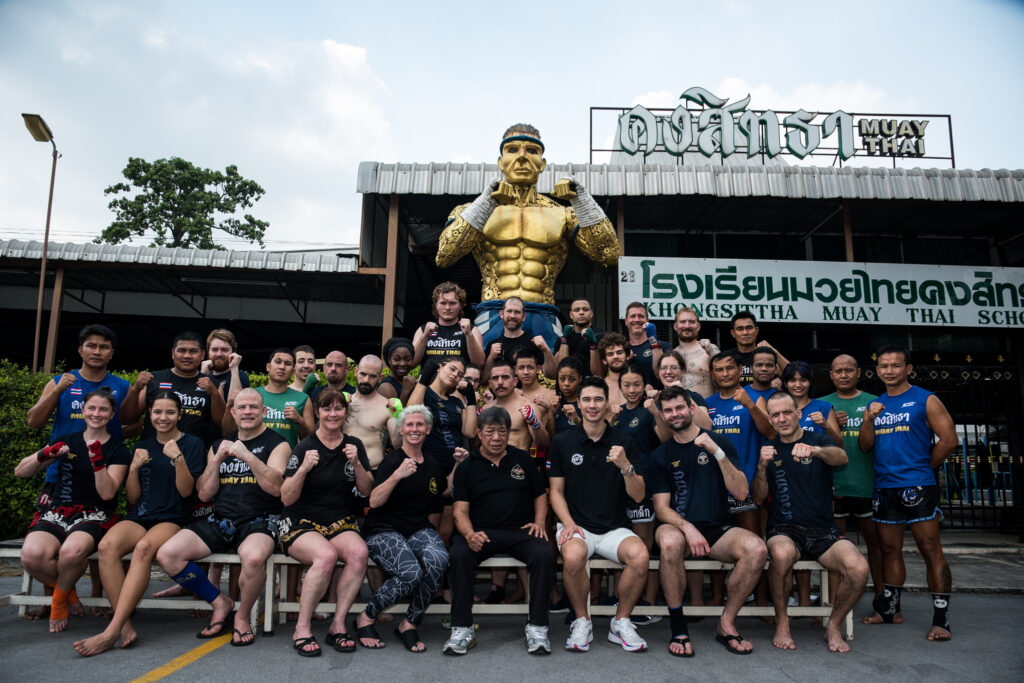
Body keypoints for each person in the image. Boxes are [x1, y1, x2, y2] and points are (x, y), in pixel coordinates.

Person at [437, 123, 620, 350]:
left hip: (544, 311)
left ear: (542, 164)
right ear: (500, 161)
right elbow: (444, 255)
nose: (522, 158)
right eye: (513, 149)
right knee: (486, 380)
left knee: (551, 380)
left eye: (532, 151)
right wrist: (486, 201)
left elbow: (609, 254)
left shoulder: (562, 213)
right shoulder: (473, 211)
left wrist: (582, 200)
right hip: (493, 311)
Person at [73, 392, 205, 656]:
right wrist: (133, 468)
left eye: (169, 412)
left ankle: (111, 630)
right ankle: (126, 625)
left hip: (173, 517)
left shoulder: (193, 444)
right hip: (141, 515)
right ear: (150, 415)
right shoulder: (142, 446)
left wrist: (177, 457)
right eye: (157, 412)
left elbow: (186, 492)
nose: (163, 418)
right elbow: (133, 498)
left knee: (144, 548)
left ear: (180, 415)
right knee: (108, 545)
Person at [155, 388, 290, 647]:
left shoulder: (278, 443)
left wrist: (247, 456)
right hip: (223, 518)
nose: (248, 412)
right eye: (242, 407)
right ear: (233, 412)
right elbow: (205, 493)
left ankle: (241, 617)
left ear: (263, 412)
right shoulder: (219, 444)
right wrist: (216, 460)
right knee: (168, 554)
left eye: (253, 407)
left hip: (262, 518)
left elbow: (277, 489)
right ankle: (220, 602)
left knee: (252, 557)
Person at [646, 386, 768, 657]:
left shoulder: (719, 442)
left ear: (692, 409)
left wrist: (717, 452)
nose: (674, 414)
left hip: (717, 527)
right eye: (668, 410)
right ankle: (678, 626)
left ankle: (727, 624)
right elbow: (661, 508)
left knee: (757, 549)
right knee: (668, 542)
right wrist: (687, 528)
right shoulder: (660, 455)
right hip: (678, 527)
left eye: (679, 407)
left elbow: (741, 492)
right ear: (663, 416)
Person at [25, 323, 130, 620]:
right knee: (52, 539)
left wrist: (111, 446)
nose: (97, 351)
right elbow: (34, 421)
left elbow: (134, 422)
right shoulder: (61, 381)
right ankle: (57, 599)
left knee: (94, 534)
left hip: (101, 473)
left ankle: (97, 596)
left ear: (111, 353)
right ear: (80, 349)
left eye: (104, 346)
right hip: (59, 474)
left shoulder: (120, 386)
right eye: (92, 345)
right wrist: (57, 389)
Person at [753, 392, 869, 653]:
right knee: (781, 555)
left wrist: (816, 451)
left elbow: (842, 458)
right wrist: (761, 467)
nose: (782, 419)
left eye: (787, 412)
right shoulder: (769, 450)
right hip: (784, 529)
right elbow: (759, 498)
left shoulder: (817, 440)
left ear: (798, 414)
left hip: (823, 532)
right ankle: (782, 623)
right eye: (776, 415)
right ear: (770, 419)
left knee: (859, 568)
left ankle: (834, 625)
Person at [858, 346, 957, 641]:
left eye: (896, 365)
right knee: (889, 550)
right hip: (885, 486)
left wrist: (924, 468)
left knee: (930, 549)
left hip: (918, 485)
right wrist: (868, 419)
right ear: (878, 371)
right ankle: (890, 610)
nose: (889, 371)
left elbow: (949, 439)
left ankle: (942, 619)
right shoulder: (875, 405)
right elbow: (865, 446)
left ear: (908, 369)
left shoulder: (926, 399)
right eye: (884, 366)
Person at [16, 388, 130, 633]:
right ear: (83, 410)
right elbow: (21, 471)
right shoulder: (67, 440)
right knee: (31, 556)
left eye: (103, 410)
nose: (96, 413)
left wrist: (97, 461)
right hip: (58, 510)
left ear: (111, 415)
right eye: (92, 408)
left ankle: (58, 603)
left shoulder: (118, 450)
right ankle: (68, 592)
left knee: (71, 552)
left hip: (95, 513)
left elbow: (108, 494)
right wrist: (44, 454)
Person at [548, 377, 649, 653]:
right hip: (577, 525)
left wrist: (626, 466)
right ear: (578, 404)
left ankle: (621, 621)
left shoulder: (624, 441)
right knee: (573, 556)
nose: (592, 405)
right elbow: (555, 491)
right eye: (587, 400)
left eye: (598, 400)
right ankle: (582, 620)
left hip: (615, 527)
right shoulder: (562, 441)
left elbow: (638, 495)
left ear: (608, 404)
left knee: (640, 556)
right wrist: (568, 524)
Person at [444, 407, 554, 655]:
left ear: (508, 433)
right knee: (459, 555)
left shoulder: (523, 459)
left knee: (544, 554)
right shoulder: (467, 467)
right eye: (490, 432)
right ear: (479, 434)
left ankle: (537, 627)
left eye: (502, 432)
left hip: (519, 531)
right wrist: (470, 534)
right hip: (481, 533)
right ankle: (462, 628)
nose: (496, 437)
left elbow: (539, 495)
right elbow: (460, 511)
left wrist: (538, 522)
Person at [278, 389, 373, 657]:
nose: (333, 414)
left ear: (345, 412)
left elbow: (366, 491)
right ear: (317, 413)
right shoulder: (305, 446)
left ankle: (338, 624)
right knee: (326, 556)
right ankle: (302, 628)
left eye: (338, 408)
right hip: (299, 521)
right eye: (326, 409)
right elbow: (286, 497)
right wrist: (304, 469)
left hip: (338, 520)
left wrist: (356, 464)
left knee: (359, 553)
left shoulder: (354, 444)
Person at [353, 405, 454, 653]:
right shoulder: (392, 460)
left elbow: (443, 489)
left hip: (417, 528)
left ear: (428, 429)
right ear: (402, 429)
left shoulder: (431, 463)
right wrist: (398, 475)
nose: (414, 429)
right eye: (409, 425)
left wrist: (459, 465)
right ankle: (366, 617)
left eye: (420, 424)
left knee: (439, 559)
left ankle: (409, 622)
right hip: (383, 529)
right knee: (410, 574)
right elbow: (374, 500)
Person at [705, 351, 775, 610]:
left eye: (729, 368)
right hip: (715, 486)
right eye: (719, 369)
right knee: (715, 541)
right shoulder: (708, 402)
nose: (725, 374)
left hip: (746, 486)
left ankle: (762, 599)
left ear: (739, 370)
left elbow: (770, 432)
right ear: (712, 374)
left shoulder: (753, 398)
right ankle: (716, 595)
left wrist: (749, 404)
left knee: (755, 543)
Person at [821, 354, 884, 604]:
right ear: (831, 375)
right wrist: (829, 424)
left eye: (849, 370)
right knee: (834, 548)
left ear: (859, 373)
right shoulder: (821, 405)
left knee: (876, 546)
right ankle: (835, 602)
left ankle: (882, 599)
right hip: (834, 486)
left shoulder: (875, 403)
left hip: (868, 485)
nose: (843, 375)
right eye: (838, 371)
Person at [612, 365, 671, 623]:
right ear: (620, 387)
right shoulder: (616, 413)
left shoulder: (650, 411)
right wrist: (608, 420)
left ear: (645, 385)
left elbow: (667, 437)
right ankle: (622, 597)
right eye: (627, 385)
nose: (632, 390)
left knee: (645, 543)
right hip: (619, 484)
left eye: (637, 384)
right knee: (621, 541)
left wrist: (655, 412)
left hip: (647, 482)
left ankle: (647, 600)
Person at [408, 357, 478, 544]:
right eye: (452, 369)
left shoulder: (455, 401)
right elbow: (412, 412)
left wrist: (471, 400)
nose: (455, 375)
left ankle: (440, 571)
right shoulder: (426, 393)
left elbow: (469, 431)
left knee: (446, 534)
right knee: (428, 532)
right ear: (439, 368)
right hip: (429, 467)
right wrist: (424, 378)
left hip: (454, 468)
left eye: (460, 374)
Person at [122, 331, 226, 449]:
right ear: (173, 353)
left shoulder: (212, 385)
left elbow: (223, 424)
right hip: (152, 453)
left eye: (193, 351)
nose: (187, 356)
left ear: (202, 355)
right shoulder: (153, 379)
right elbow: (128, 418)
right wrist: (135, 389)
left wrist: (214, 393)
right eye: (181, 350)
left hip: (192, 455)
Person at [412, 282, 485, 371]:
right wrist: (425, 336)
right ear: (436, 305)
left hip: (458, 383)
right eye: (443, 303)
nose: (447, 307)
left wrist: (469, 334)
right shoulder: (423, 330)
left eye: (452, 303)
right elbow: (412, 362)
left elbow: (479, 363)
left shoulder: (472, 330)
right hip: (428, 384)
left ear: (460, 305)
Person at [344, 356, 401, 471]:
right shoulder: (342, 403)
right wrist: (333, 410)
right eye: (363, 374)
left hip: (372, 471)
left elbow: (398, 445)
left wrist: (399, 417)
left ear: (380, 378)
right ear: (356, 372)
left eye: (372, 376)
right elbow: (321, 435)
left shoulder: (386, 406)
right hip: (341, 472)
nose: (366, 380)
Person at [483, 297, 556, 380]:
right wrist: (491, 358)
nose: (513, 316)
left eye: (517, 312)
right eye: (509, 311)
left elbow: (553, 376)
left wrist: (546, 350)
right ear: (502, 314)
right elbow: (484, 380)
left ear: (524, 316)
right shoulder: (493, 345)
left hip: (528, 392)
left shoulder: (534, 343)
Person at [781, 361, 842, 447]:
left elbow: (840, 445)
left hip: (818, 459)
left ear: (810, 382)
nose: (798, 385)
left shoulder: (824, 407)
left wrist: (826, 426)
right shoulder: (779, 409)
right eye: (793, 380)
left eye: (803, 380)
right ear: (785, 384)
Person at [722, 311, 790, 386]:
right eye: (740, 329)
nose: (745, 332)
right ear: (733, 333)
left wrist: (774, 351)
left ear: (756, 330)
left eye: (749, 328)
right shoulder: (727, 357)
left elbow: (793, 374)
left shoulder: (767, 355)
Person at [656, 351, 712, 430]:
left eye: (674, 368)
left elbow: (706, 427)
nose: (668, 372)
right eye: (664, 368)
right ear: (659, 372)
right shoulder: (655, 401)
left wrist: (683, 392)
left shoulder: (694, 397)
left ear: (683, 371)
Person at [671, 307, 720, 398]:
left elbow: (724, 379)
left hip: (707, 409)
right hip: (679, 410)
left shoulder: (709, 349)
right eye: (683, 322)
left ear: (698, 326)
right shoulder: (671, 356)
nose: (687, 326)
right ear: (675, 326)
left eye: (692, 322)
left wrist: (711, 353)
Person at [555, 298, 604, 377]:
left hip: (592, 384)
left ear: (591, 314)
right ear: (571, 315)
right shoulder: (561, 339)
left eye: (585, 309)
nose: (581, 312)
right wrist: (564, 340)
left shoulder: (601, 336)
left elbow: (600, 373)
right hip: (569, 384)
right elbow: (561, 369)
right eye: (577, 310)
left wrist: (593, 343)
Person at [623, 302, 666, 387]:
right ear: (626, 321)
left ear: (647, 321)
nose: (637, 320)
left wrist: (653, 341)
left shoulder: (663, 346)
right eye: (633, 316)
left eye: (641, 316)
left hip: (656, 398)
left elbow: (660, 375)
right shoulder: (621, 350)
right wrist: (625, 362)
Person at [203, 329, 249, 403]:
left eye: (224, 350)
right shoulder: (204, 374)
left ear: (233, 352)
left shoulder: (241, 376)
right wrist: (202, 375)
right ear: (208, 351)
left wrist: (234, 368)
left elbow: (235, 406)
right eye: (214, 350)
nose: (219, 354)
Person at [596, 332, 630, 407]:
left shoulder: (639, 384)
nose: (615, 357)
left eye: (619, 352)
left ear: (627, 355)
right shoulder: (599, 387)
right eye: (610, 354)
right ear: (604, 360)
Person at [553, 356, 585, 434]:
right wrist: (550, 414)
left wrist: (576, 419)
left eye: (572, 379)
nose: (566, 384)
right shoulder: (556, 404)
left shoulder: (587, 404)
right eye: (562, 379)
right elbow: (551, 438)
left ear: (580, 378)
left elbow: (593, 436)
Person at [379, 338, 416, 403]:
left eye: (407, 359)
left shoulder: (410, 383)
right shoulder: (385, 387)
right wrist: (405, 391)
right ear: (389, 360)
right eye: (397, 359)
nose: (402, 363)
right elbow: (394, 413)